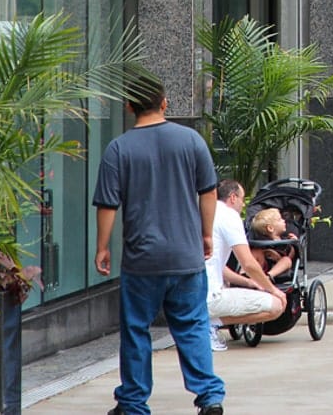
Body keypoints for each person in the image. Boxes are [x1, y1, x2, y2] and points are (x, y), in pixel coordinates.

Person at [92, 69, 226, 415]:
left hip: (142, 259)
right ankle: (209, 397)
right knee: (193, 324)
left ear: (128, 106)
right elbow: (208, 191)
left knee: (136, 329)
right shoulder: (191, 140)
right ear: (165, 103)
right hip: (185, 254)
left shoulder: (118, 148)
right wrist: (206, 233)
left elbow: (108, 204)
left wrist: (102, 246)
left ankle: (134, 403)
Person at [206, 180, 287, 351]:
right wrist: (273, 289)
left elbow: (217, 266)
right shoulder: (230, 216)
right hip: (210, 298)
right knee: (277, 306)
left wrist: (249, 283)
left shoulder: (205, 212)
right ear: (233, 198)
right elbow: (248, 263)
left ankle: (203, 323)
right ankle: (209, 325)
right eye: (243, 199)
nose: (243, 205)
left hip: (189, 295)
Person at [250, 208, 299, 279]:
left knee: (287, 260)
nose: (283, 220)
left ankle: (268, 276)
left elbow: (291, 256)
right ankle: (245, 274)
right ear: (270, 228)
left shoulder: (285, 240)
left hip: (278, 271)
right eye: (279, 219)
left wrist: (294, 243)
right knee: (256, 252)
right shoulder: (261, 241)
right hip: (262, 267)